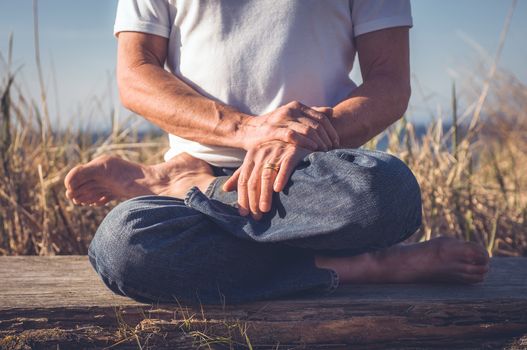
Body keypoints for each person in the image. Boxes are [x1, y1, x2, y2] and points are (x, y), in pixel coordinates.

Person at [64, 0, 490, 305]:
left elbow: (389, 83)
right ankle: (368, 266)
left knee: (389, 193)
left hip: (311, 177)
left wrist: (300, 137)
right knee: (124, 246)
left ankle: (193, 187)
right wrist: (248, 129)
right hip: (206, 158)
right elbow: (136, 75)